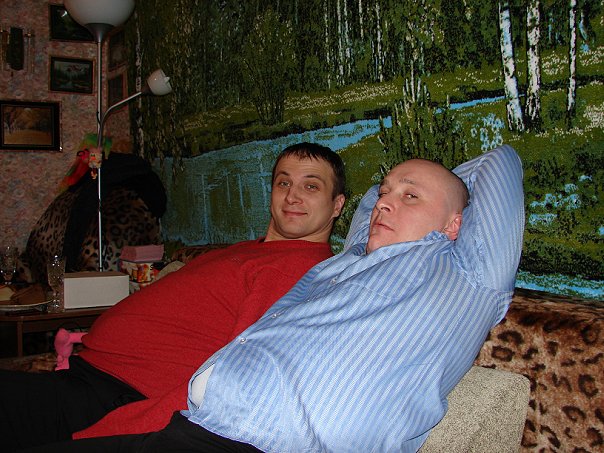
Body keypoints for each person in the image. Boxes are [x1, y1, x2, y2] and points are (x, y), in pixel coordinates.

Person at [20, 144, 524, 453]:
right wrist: (401, 193)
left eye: (408, 196)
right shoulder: (344, 266)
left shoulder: (467, 275)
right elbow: (368, 208)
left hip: (248, 439)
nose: (385, 203)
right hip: (201, 424)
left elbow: (502, 165)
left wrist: (445, 190)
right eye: (385, 193)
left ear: (457, 224)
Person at [1, 142, 346, 452]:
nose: (292, 196)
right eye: (283, 183)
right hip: (90, 376)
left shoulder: (300, 269)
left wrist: (123, 430)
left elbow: (233, 378)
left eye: (311, 186)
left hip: (117, 398)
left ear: (336, 205)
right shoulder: (250, 250)